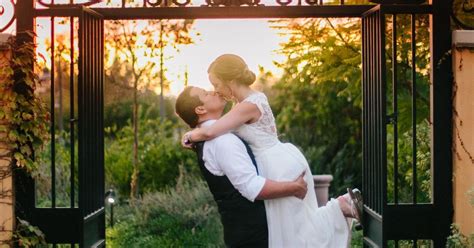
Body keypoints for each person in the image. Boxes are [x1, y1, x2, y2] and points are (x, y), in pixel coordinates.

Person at [182, 54, 363, 247]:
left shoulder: (248, 105)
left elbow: (210, 131)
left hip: (276, 166)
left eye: (216, 84)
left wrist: (189, 136)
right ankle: (341, 206)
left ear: (231, 81)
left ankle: (340, 206)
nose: (216, 90)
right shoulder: (245, 103)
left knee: (292, 236)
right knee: (298, 228)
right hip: (279, 160)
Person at [175, 86, 310, 247]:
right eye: (205, 93)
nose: (213, 91)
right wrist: (295, 188)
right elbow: (251, 187)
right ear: (200, 109)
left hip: (239, 232)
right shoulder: (223, 141)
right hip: (253, 235)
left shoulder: (206, 137)